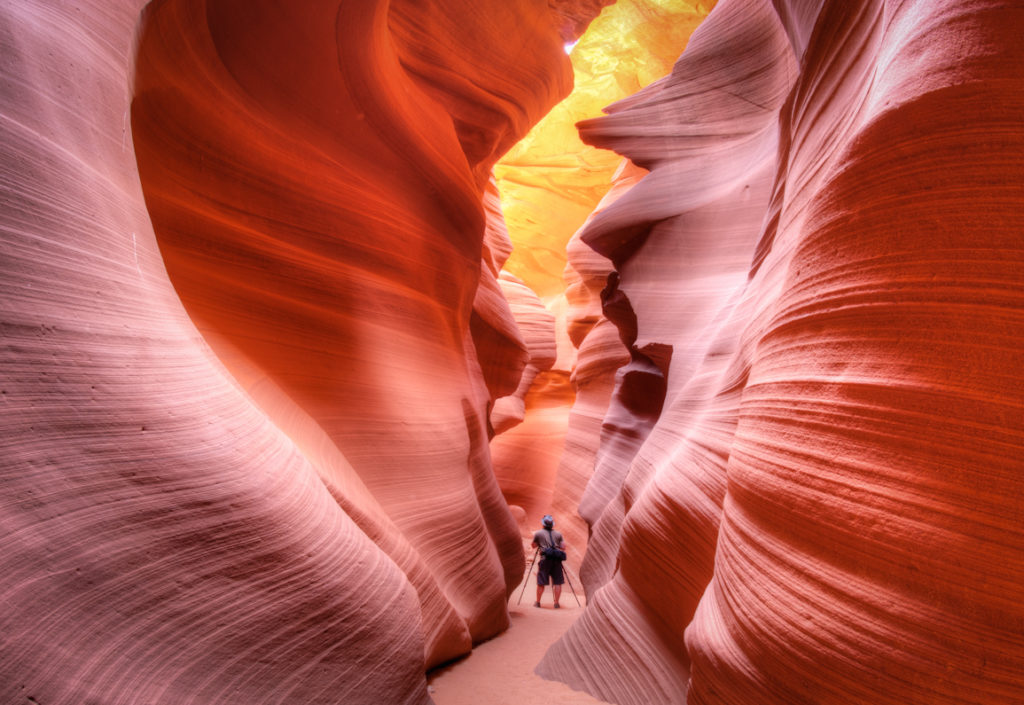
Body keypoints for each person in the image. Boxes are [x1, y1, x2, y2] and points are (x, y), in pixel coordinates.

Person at [531, 514, 566, 608]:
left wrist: (540, 542)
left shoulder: (538, 533)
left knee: (541, 581)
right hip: (557, 560)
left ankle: (538, 602)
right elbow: (563, 547)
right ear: (552, 524)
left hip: (545, 559)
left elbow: (533, 546)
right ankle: (556, 603)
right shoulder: (558, 534)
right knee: (557, 582)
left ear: (543, 524)